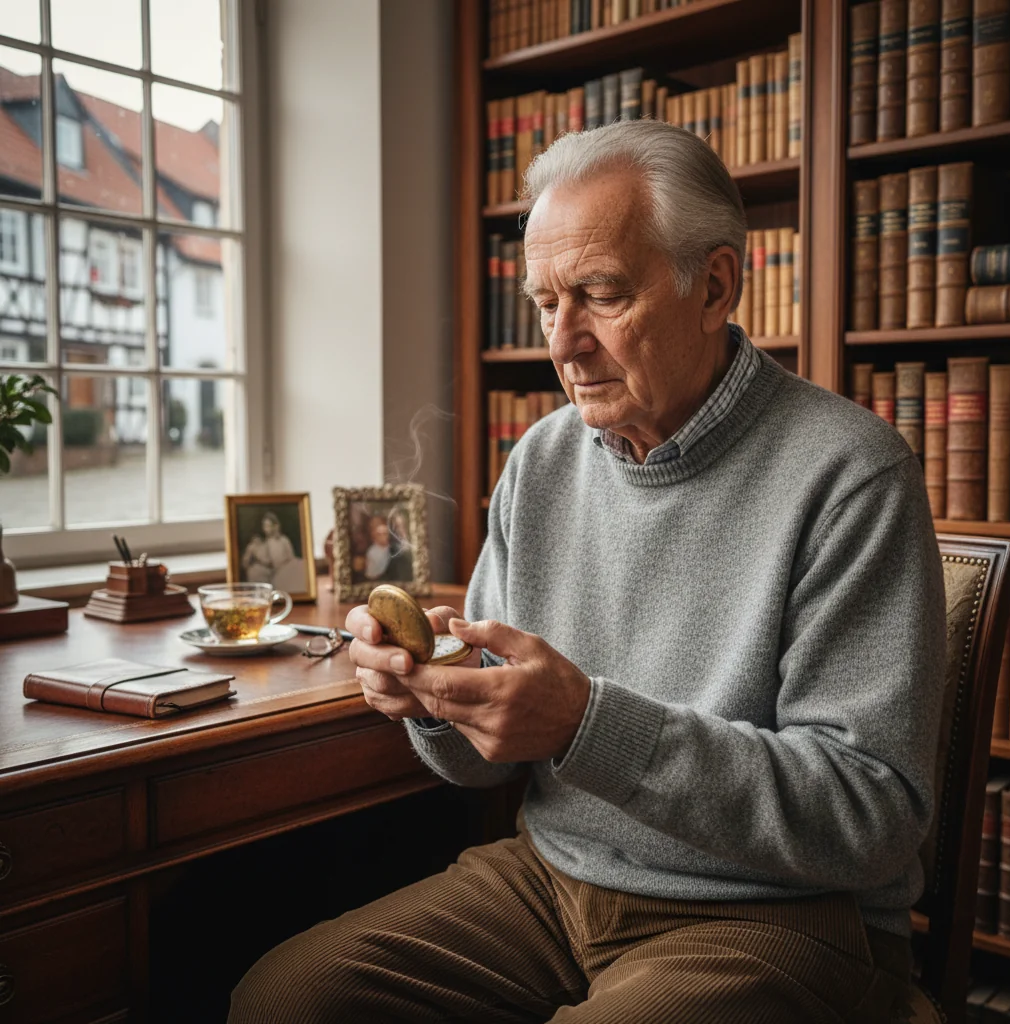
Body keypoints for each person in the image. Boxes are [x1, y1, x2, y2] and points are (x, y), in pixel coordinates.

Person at [230, 121, 946, 1023]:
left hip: (775, 915)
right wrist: (432, 700)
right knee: (286, 999)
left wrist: (583, 724)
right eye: (543, 303)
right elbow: (484, 760)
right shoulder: (542, 460)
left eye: (600, 295)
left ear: (714, 285)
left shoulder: (850, 472)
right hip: (554, 883)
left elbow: (871, 816)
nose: (563, 342)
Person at [241, 511, 305, 593]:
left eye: (269, 526)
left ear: (275, 526)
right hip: (276, 572)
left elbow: (291, 556)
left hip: (287, 568)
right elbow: (267, 561)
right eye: (264, 526)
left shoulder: (283, 540)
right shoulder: (263, 543)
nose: (266, 529)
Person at [362, 516, 392, 581]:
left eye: (385, 533)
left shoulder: (393, 549)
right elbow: (372, 574)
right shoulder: (372, 552)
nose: (383, 536)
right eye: (380, 534)